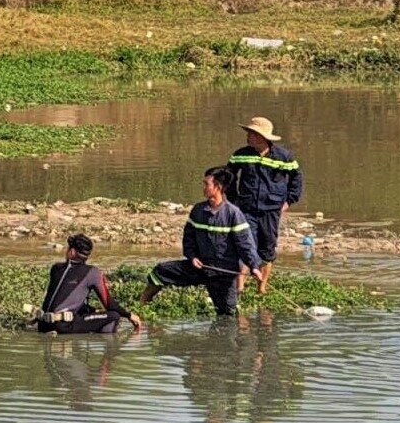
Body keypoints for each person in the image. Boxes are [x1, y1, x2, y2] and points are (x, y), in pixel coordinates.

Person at [140, 166, 263, 316]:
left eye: (206, 184)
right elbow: (189, 238)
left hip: (222, 272)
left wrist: (254, 266)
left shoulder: (233, 213)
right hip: (200, 267)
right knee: (160, 271)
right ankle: (143, 304)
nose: (203, 187)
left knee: (227, 315)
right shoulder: (198, 210)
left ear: (218, 187)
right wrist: (192, 257)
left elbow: (245, 244)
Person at [226, 116, 303, 294]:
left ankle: (262, 287)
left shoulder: (284, 157)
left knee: (267, 248)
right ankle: (240, 287)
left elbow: (296, 178)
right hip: (246, 208)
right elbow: (228, 176)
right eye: (249, 133)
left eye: (252, 133)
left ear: (262, 137)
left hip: (271, 209)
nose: (248, 136)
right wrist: (233, 200)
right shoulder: (240, 155)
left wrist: (289, 200)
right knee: (245, 244)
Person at [36, 233, 142, 334]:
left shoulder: (56, 268)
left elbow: (66, 300)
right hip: (62, 327)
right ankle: (109, 344)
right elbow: (110, 305)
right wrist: (129, 315)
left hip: (42, 325)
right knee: (114, 316)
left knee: (84, 313)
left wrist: (92, 310)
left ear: (72, 252)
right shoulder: (92, 273)